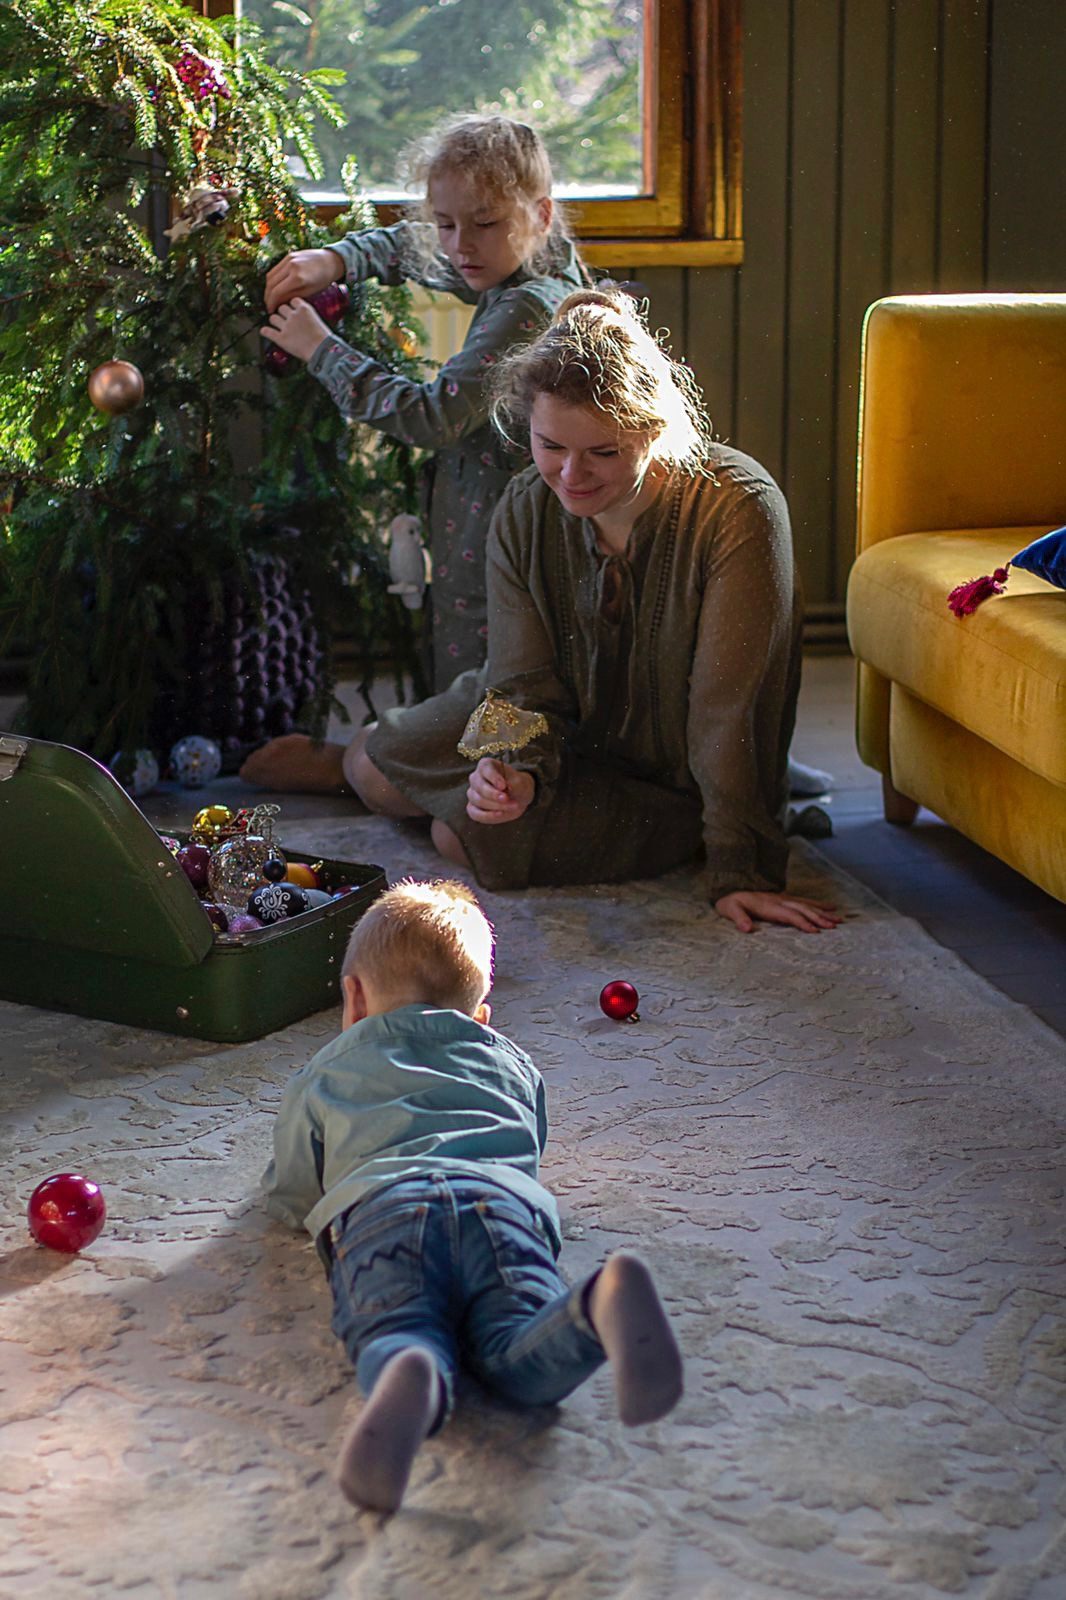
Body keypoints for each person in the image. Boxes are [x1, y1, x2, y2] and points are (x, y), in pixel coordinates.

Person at [331, 290, 841, 935]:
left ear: (654, 432)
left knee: (459, 838)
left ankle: (448, 796)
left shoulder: (736, 509)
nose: (571, 475)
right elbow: (519, 681)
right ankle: (372, 773)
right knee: (371, 766)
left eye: (603, 453)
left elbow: (729, 708)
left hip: (669, 778)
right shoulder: (524, 508)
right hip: (564, 735)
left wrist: (741, 867)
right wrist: (514, 772)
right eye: (551, 447)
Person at [263, 878, 683, 1513]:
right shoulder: (512, 1062)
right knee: (518, 1353)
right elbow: (530, 1144)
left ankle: (413, 1364)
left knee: (393, 1320)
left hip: (384, 1210)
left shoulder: (324, 1070)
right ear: (481, 1018)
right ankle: (600, 1302)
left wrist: (296, 1206)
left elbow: (293, 1191)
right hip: (501, 1207)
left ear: (353, 999)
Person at [241, 114, 587, 793]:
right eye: (446, 223)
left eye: (483, 224)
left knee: (481, 694)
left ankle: (387, 774)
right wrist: (339, 258)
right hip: (482, 536)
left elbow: (434, 417)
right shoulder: (527, 265)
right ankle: (415, 767)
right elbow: (420, 244)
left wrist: (321, 349)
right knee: (473, 693)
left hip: (494, 545)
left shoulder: (527, 306)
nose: (460, 246)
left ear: (540, 214)